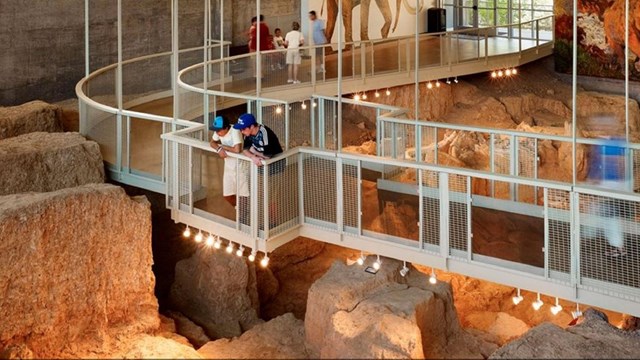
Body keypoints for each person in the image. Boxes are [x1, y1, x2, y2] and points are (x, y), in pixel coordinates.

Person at [209, 115, 247, 207]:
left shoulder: (235, 130)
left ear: (226, 128)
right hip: (229, 167)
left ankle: (244, 215)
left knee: (243, 195)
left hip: (241, 167)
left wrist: (222, 147)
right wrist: (219, 149)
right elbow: (212, 142)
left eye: (219, 130)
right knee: (227, 195)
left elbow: (237, 149)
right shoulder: (218, 132)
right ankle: (239, 209)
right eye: (216, 130)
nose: (217, 133)